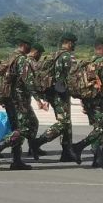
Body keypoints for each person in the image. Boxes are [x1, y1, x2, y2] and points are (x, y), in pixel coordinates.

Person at [0, 35, 45, 170]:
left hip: (9, 99)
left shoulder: (10, 57)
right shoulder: (22, 60)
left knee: (17, 128)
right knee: (27, 127)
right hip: (19, 100)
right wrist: (38, 99)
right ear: (25, 45)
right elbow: (29, 81)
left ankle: (17, 159)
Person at [31, 32, 79, 163]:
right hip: (61, 93)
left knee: (66, 122)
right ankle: (38, 142)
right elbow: (72, 77)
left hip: (52, 92)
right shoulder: (68, 57)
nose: (74, 45)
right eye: (73, 43)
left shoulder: (54, 55)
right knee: (64, 123)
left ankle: (66, 152)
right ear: (68, 43)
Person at [71, 37, 103, 168]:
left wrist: (83, 102)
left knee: (98, 127)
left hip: (87, 100)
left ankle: (97, 159)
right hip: (98, 101)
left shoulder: (87, 62)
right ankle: (79, 146)